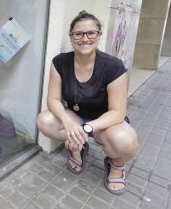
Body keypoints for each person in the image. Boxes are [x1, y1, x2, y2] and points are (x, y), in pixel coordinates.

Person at [36, 10, 138, 195]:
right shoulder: (60, 62)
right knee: (45, 120)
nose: (85, 38)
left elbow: (118, 112)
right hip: (75, 116)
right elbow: (53, 99)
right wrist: (68, 123)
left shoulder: (113, 66)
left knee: (126, 142)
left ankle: (115, 163)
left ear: (99, 36)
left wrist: (86, 129)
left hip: (104, 122)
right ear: (71, 37)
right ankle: (78, 149)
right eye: (78, 34)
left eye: (91, 33)